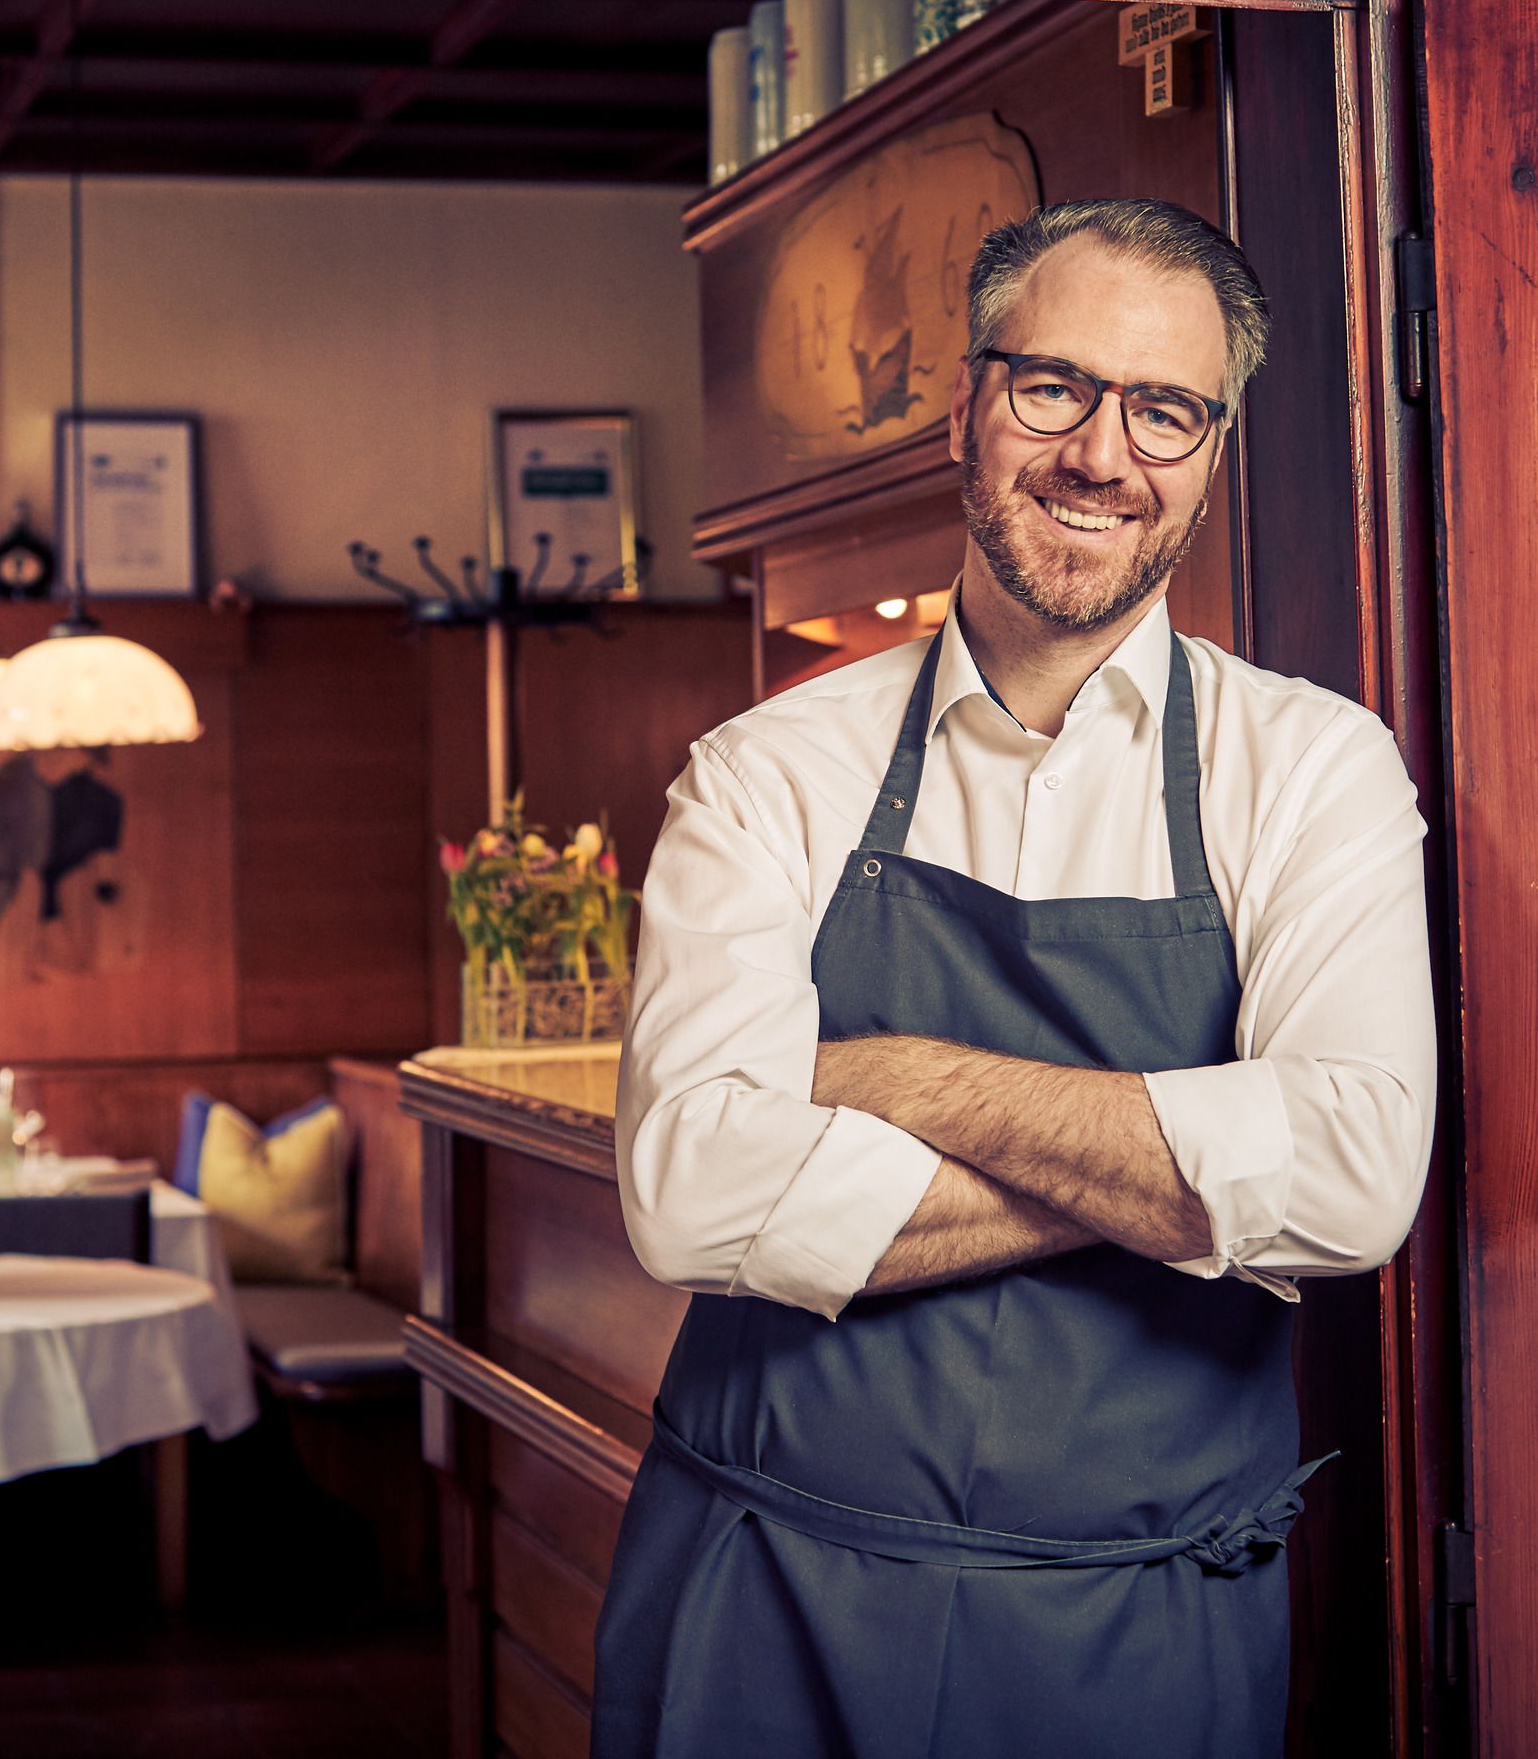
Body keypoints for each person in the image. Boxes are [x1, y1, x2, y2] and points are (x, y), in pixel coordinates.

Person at [594, 197, 1437, 1758]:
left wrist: (903, 1081)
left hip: (1138, 1629)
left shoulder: (1313, 770)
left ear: (1214, 445)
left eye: (1165, 409)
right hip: (765, 1593)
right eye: (1052, 386)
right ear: (968, 407)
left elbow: (1354, 1183)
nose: (1101, 454)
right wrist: (1183, 1180)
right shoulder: (769, 771)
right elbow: (692, 1198)